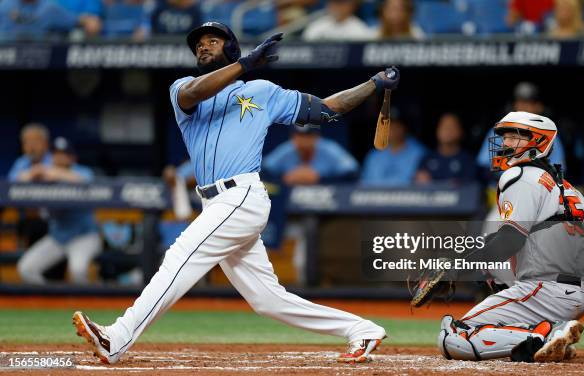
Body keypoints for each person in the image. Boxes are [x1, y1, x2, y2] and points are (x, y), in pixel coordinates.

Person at [73, 21, 399, 364]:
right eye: (199, 43)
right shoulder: (182, 88)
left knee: (181, 255)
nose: (203, 46)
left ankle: (117, 337)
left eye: (213, 40)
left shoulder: (263, 91)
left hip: (241, 195)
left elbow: (328, 109)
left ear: (231, 48)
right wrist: (244, 64)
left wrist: (374, 84)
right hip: (213, 201)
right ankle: (362, 329)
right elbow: (194, 94)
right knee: (268, 300)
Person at [413, 112, 584, 362]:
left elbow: (509, 241)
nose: (506, 143)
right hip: (582, 292)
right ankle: (551, 335)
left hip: (546, 291)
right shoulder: (567, 187)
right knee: (496, 270)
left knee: (454, 337)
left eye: (516, 137)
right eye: (506, 136)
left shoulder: (520, 176)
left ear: (539, 141)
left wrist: (456, 268)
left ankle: (545, 334)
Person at [16, 137, 101, 285]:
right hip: (58, 237)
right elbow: (16, 182)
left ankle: (83, 307)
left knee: (78, 270)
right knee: (26, 268)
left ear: (72, 157)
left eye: (64, 154)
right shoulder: (45, 173)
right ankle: (47, 305)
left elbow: (88, 182)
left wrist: (56, 173)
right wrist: (33, 173)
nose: (60, 157)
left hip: (84, 237)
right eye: (56, 154)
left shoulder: (82, 171)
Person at [263, 125, 359, 185]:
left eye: (308, 136)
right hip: (290, 202)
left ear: (317, 136)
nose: (303, 141)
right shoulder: (287, 149)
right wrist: (284, 178)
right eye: (299, 136)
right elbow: (263, 171)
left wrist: (320, 179)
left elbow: (352, 173)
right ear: (293, 137)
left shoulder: (329, 149)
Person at [360, 108, 427, 187]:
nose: (391, 129)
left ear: (404, 127)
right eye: (386, 124)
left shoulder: (420, 154)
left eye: (395, 125)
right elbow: (363, 186)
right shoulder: (373, 156)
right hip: (376, 198)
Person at [415, 113, 476, 185]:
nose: (447, 130)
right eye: (443, 126)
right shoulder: (427, 159)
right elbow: (415, 185)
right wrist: (419, 181)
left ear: (461, 131)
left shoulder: (468, 160)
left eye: (452, 127)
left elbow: (472, 187)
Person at [0, 0, 101, 40]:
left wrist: (90, 21)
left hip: (43, 61)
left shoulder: (49, 8)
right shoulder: (4, 7)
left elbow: (79, 20)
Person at [302, 0, 375, 41]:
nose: (336, 7)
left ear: (352, 5)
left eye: (341, 3)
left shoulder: (360, 29)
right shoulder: (316, 26)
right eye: (333, 2)